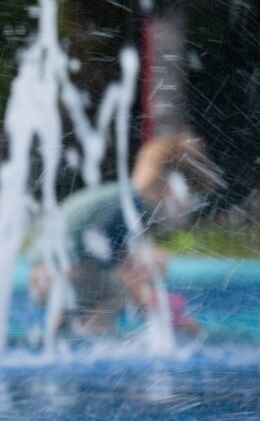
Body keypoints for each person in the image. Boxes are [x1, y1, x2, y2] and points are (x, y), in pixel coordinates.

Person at [29, 133, 221, 336]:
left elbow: (101, 250)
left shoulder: (125, 197)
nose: (190, 212)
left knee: (137, 264)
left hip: (48, 275)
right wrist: (158, 308)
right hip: (50, 278)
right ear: (171, 189)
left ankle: (70, 321)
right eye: (192, 200)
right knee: (152, 263)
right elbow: (105, 252)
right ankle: (91, 324)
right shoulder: (131, 204)